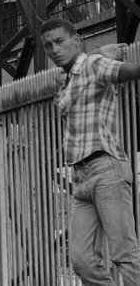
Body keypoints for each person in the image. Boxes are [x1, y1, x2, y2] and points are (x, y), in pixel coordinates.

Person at [39, 18, 140, 284]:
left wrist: (97, 54)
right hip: (80, 177)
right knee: (82, 261)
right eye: (48, 46)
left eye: (60, 41)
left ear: (76, 39)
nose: (54, 50)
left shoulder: (95, 66)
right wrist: (96, 50)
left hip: (106, 168)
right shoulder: (67, 79)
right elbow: (72, 69)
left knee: (124, 254)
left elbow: (130, 70)